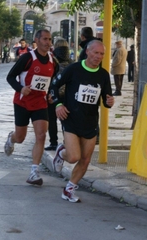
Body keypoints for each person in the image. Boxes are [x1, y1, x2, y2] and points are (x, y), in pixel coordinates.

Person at [50, 40, 115, 202]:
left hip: (90, 122)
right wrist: (58, 104)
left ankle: (69, 189)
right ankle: (61, 152)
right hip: (71, 118)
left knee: (85, 160)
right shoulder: (74, 69)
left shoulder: (103, 74)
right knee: (73, 157)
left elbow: (106, 99)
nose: (98, 57)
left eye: (102, 54)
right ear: (87, 51)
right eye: (96, 53)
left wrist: (109, 102)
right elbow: (54, 85)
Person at [4, 29, 58, 186]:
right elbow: (10, 77)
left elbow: (53, 82)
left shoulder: (53, 61)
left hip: (40, 103)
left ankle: (34, 172)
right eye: (45, 39)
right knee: (21, 137)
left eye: (50, 39)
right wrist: (21, 89)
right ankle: (11, 138)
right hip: (22, 102)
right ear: (37, 40)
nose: (48, 42)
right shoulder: (27, 58)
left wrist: (50, 94)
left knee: (41, 135)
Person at [45, 38, 73, 151]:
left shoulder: (52, 60)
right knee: (65, 120)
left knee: (51, 120)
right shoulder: (72, 61)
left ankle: (53, 142)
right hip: (67, 95)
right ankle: (67, 142)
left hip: (54, 94)